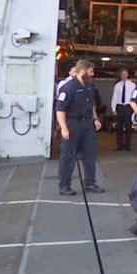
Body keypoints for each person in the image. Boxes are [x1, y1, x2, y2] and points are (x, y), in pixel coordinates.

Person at [54, 59, 105, 195]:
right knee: (68, 156)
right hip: (72, 124)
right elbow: (60, 110)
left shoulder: (89, 87)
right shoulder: (68, 88)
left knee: (90, 155)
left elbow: (91, 105)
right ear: (82, 72)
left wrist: (95, 118)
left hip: (87, 124)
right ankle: (64, 185)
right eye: (90, 71)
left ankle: (90, 183)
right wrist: (64, 128)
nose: (92, 74)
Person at [111, 69, 136, 151]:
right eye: (122, 74)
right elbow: (114, 97)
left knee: (129, 127)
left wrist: (135, 109)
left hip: (129, 107)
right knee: (119, 127)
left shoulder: (132, 85)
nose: (124, 76)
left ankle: (128, 145)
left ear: (128, 75)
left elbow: (134, 98)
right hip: (120, 107)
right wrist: (113, 108)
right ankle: (119, 145)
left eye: (125, 74)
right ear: (120, 75)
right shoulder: (117, 85)